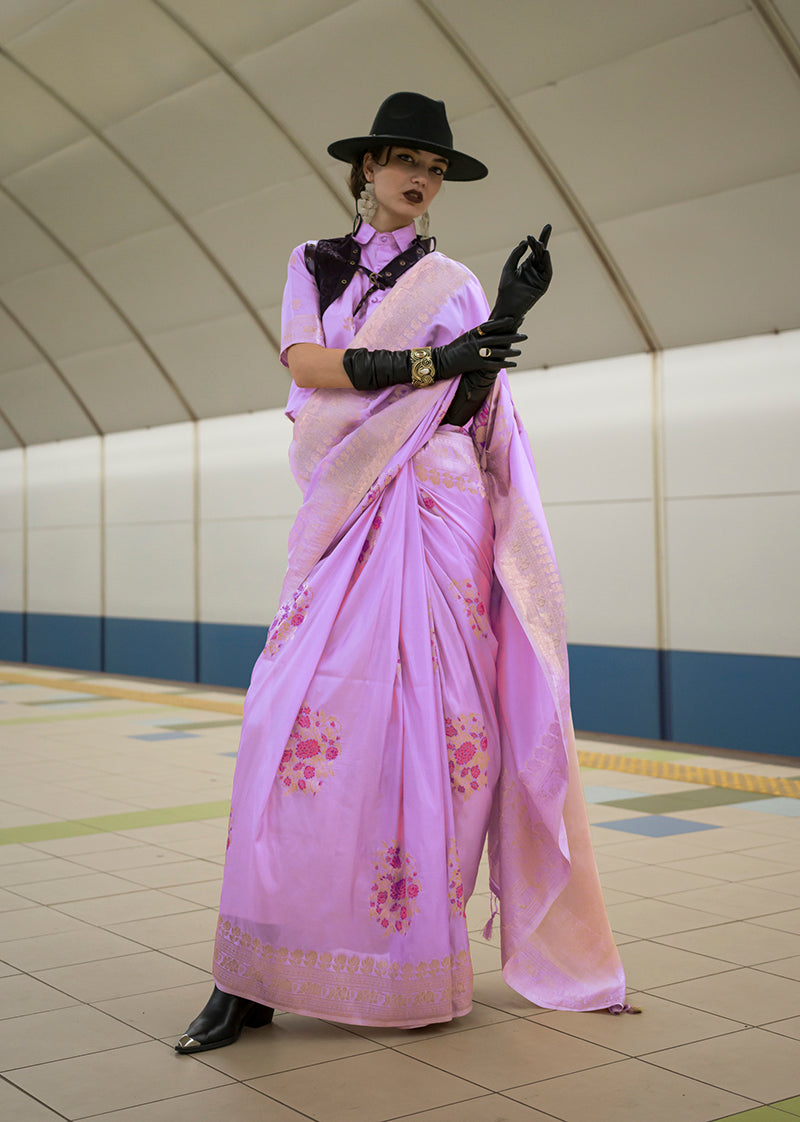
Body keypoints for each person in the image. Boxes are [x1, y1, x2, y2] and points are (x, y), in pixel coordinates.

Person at [176, 91, 631, 1055]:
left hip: (444, 513)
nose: (421, 178)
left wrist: (504, 317)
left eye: (435, 167)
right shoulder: (314, 263)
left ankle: (410, 960)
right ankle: (249, 977)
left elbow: (468, 408)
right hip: (351, 513)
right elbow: (308, 366)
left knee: (450, 741)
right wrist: (429, 365)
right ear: (367, 168)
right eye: (405, 161)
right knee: (289, 729)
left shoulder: (454, 282)